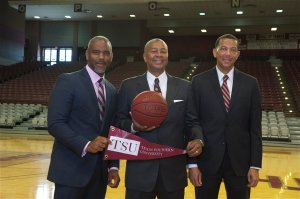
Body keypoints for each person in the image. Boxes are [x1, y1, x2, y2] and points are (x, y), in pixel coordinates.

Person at [115, 38, 203, 199]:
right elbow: (118, 124)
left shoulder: (185, 87)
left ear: (168, 56)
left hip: (173, 173)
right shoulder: (128, 86)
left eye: (163, 51)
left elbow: (192, 123)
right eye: (154, 51)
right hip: (139, 173)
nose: (159, 55)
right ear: (145, 56)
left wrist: (198, 141)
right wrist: (134, 127)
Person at [188, 34, 262, 199]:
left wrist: (255, 166)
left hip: (240, 165)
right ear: (215, 52)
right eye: (223, 49)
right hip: (206, 162)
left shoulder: (251, 84)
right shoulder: (198, 82)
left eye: (233, 50)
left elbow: (255, 128)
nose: (228, 53)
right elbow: (192, 121)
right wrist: (192, 164)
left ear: (237, 54)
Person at [47, 35, 120, 199]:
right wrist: (87, 145)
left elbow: (112, 132)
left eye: (106, 53)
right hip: (70, 171)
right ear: (87, 54)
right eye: (96, 52)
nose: (101, 57)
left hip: (99, 175)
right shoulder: (68, 81)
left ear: (111, 56)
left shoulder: (111, 90)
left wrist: (113, 167)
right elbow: (55, 123)